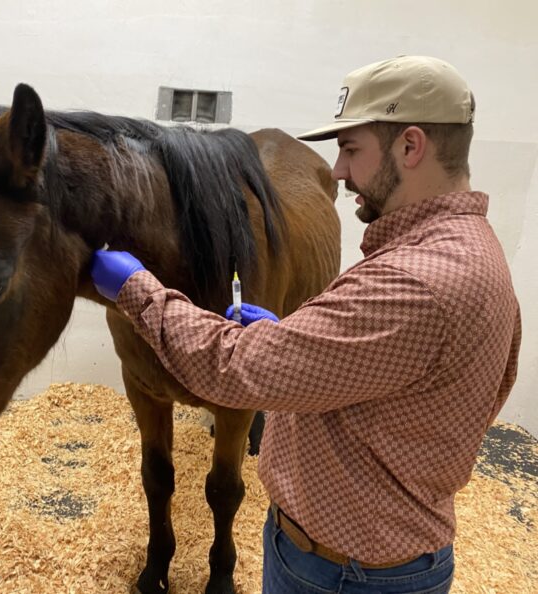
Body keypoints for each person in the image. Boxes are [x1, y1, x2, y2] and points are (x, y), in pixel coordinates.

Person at [90, 56, 521, 593]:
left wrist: (133, 287)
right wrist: (301, 340)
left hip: (343, 572)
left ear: (411, 147)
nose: (337, 172)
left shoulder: (419, 282)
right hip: (373, 552)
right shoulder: (462, 249)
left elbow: (231, 368)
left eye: (350, 148)